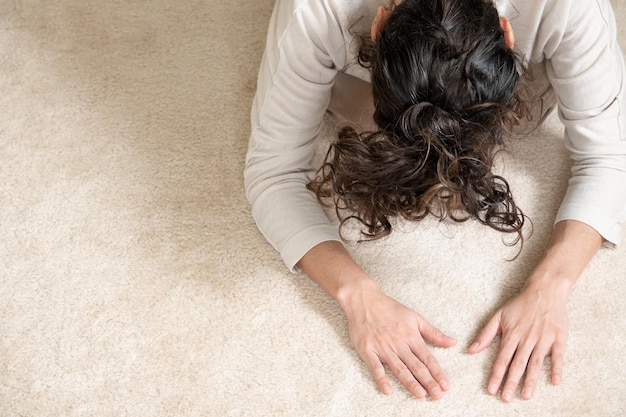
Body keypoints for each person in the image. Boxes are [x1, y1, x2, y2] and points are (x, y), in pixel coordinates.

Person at [245, 0, 626, 402]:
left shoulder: (570, 7)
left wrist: (552, 285)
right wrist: (357, 295)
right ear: (377, 29)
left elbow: (609, 157)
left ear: (506, 32)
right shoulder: (317, 9)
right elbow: (274, 172)